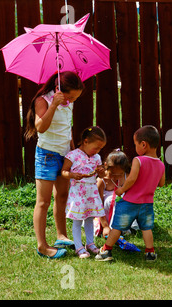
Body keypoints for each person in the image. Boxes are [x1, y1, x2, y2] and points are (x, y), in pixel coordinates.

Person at [25, 71, 84, 259]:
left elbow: (68, 128)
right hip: (47, 155)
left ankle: (61, 235)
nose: (73, 100)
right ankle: (42, 246)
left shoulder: (69, 103)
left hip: (65, 153)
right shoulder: (43, 100)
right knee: (43, 202)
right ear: (60, 90)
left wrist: (74, 152)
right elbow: (41, 127)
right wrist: (54, 105)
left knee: (62, 195)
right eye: (71, 96)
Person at [96, 125, 165, 262]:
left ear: (143, 144)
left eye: (136, 144)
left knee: (117, 227)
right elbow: (161, 183)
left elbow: (132, 179)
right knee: (146, 228)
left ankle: (106, 250)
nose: (135, 148)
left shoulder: (138, 160)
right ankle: (150, 253)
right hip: (147, 203)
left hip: (130, 202)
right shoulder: (160, 164)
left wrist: (121, 190)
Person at [61, 126, 107, 258]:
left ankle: (90, 243)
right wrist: (72, 175)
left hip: (91, 192)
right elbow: (63, 172)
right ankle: (78, 247)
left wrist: (102, 172)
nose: (97, 151)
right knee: (77, 220)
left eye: (100, 149)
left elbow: (102, 176)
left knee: (90, 218)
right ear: (85, 141)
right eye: (96, 147)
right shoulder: (73, 155)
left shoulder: (96, 157)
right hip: (78, 193)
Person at [95, 149, 130, 237]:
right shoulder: (101, 181)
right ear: (106, 166)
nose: (116, 178)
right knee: (113, 200)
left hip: (124, 212)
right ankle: (112, 228)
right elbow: (98, 205)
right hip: (106, 212)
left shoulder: (127, 176)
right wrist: (105, 226)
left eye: (120, 175)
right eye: (112, 174)